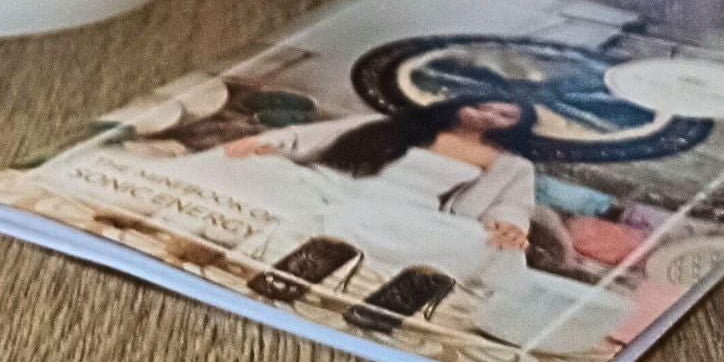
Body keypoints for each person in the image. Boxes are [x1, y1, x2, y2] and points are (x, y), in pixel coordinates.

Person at [221, 97, 539, 258]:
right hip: (334, 186)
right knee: (248, 163)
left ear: (515, 126)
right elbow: (312, 136)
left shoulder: (513, 165)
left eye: (504, 114)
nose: (487, 113)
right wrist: (270, 143)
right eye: (481, 104)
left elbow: (513, 205)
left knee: (491, 248)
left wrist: (511, 226)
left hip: (409, 216)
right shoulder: (398, 124)